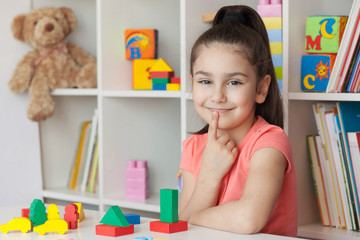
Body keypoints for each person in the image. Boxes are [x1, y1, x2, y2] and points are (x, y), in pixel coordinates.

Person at [179, 5, 298, 237]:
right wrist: (209, 175)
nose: (217, 96)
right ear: (192, 83)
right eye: (205, 82)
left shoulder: (269, 143)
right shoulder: (193, 148)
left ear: (261, 88)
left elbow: (247, 219)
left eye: (233, 82)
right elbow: (183, 231)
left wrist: (191, 217)